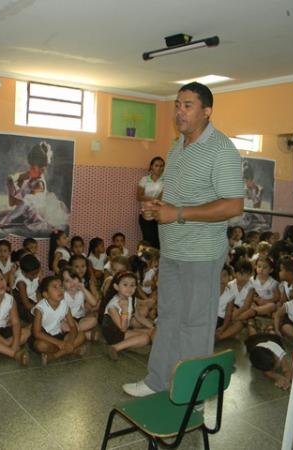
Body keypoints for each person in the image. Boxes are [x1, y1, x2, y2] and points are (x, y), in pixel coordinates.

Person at [124, 82, 244, 397]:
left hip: (201, 254)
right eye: (178, 104)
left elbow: (233, 205)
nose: (179, 111)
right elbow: (180, 196)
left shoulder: (221, 149)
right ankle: (157, 381)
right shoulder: (178, 146)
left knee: (195, 326)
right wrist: (158, 208)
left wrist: (176, 214)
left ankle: (192, 393)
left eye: (188, 105)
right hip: (173, 250)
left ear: (207, 111)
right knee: (168, 318)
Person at [30, 275, 86, 365]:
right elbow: (37, 333)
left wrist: (70, 342)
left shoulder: (64, 304)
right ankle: (71, 351)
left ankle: (55, 355)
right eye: (55, 287)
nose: (60, 290)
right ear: (46, 294)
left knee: (81, 335)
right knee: (41, 346)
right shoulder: (40, 309)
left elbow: (72, 326)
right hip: (45, 337)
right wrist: (60, 343)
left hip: (59, 334)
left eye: (61, 286)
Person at [100, 271, 153, 360]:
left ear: (136, 287)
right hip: (114, 333)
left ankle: (128, 343)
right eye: (125, 285)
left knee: (150, 331)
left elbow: (138, 316)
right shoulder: (112, 306)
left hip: (123, 330)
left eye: (132, 285)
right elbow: (122, 328)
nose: (129, 288)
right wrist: (124, 309)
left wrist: (152, 326)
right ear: (116, 286)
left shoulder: (130, 298)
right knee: (145, 338)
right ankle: (115, 347)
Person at [137, 156, 165, 249]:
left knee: (159, 242)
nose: (159, 168)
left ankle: (157, 263)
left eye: (161, 166)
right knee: (148, 242)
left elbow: (162, 197)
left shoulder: (165, 180)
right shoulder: (144, 179)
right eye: (156, 165)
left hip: (159, 215)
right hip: (145, 215)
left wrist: (151, 199)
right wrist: (153, 199)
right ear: (151, 167)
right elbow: (139, 196)